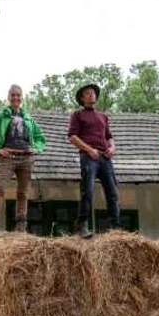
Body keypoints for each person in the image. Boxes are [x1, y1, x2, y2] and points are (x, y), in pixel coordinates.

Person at [0, 84, 46, 232]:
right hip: (8, 157)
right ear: (8, 97)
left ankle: (21, 228)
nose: (16, 98)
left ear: (22, 98)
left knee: (23, 192)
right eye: (13, 95)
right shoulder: (1, 115)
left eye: (18, 95)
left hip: (26, 158)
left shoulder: (28, 117)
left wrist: (36, 149)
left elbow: (40, 137)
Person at [67, 83, 121, 238]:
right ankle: (83, 225)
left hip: (105, 157)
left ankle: (115, 228)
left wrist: (112, 148)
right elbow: (72, 136)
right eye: (88, 93)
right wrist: (89, 150)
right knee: (88, 191)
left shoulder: (103, 116)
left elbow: (109, 136)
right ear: (82, 98)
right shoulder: (77, 115)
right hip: (89, 157)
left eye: (93, 93)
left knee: (113, 192)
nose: (91, 95)